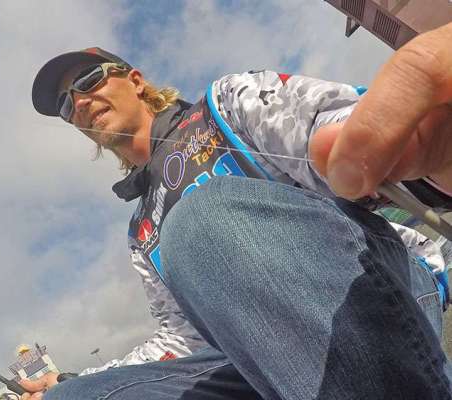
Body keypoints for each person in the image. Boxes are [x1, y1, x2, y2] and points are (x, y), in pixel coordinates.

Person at [22, 21, 452, 400]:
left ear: (135, 80)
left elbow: (331, 127)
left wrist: (414, 150)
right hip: (249, 354)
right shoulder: (141, 230)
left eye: (89, 80)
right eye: (66, 106)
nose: (79, 102)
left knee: (197, 220)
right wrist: (74, 379)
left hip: (368, 287)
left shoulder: (224, 105)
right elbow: (181, 339)